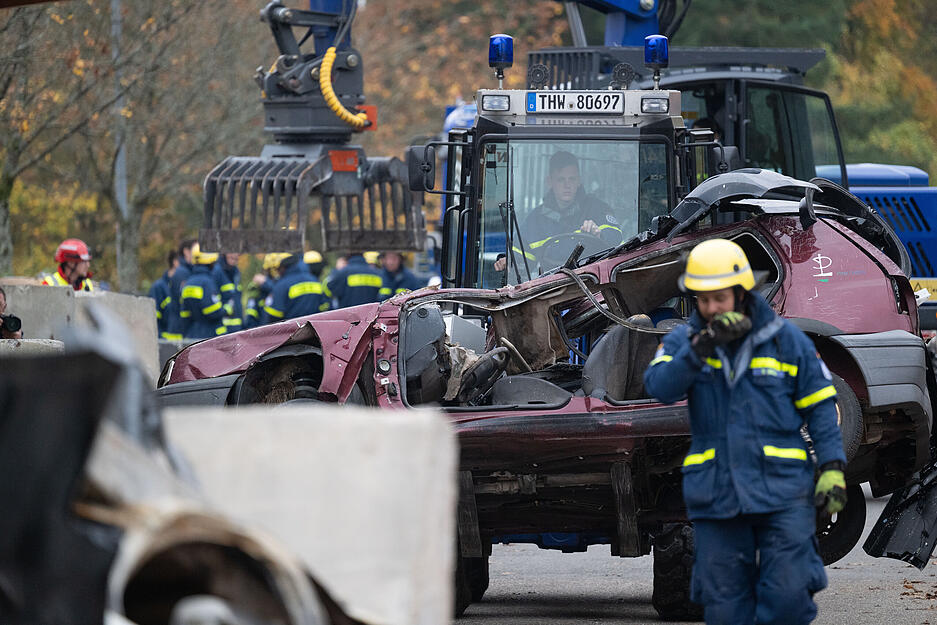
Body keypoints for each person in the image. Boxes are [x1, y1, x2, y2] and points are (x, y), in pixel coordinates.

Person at [643, 238, 846, 625]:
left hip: (782, 491)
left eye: (719, 298)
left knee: (788, 597)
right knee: (725, 607)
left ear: (741, 293)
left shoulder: (786, 341)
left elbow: (821, 405)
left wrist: (833, 466)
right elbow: (659, 386)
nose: (711, 308)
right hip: (717, 493)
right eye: (703, 300)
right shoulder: (683, 341)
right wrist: (699, 349)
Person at [494, 150, 622, 272]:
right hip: (551, 285)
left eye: (572, 179)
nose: (567, 185)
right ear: (550, 182)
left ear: (579, 181)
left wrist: (599, 234)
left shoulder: (597, 209)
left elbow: (617, 240)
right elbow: (521, 263)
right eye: (561, 179)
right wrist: (509, 263)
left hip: (592, 283)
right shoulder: (535, 222)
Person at [263, 254, 331, 321]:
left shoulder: (282, 285)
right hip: (314, 326)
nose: (277, 272)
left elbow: (274, 315)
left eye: (278, 269)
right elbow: (325, 306)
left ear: (283, 267)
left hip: (292, 327)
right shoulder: (314, 280)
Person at [179, 244, 226, 339]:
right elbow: (213, 311)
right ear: (210, 261)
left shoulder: (188, 283)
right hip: (210, 335)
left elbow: (184, 314)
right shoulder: (207, 282)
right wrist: (226, 310)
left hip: (193, 334)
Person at [165, 239, 196, 339]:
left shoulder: (189, 270)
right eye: (195, 249)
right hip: (179, 332)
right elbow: (184, 302)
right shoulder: (182, 273)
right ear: (186, 251)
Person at [149, 250, 178, 338]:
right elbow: (153, 320)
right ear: (175, 262)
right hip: (165, 342)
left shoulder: (184, 285)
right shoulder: (158, 287)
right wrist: (162, 340)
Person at [212, 252, 243, 334]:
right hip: (222, 331)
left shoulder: (236, 272)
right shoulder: (216, 271)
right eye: (231, 251)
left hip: (236, 329)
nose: (235, 255)